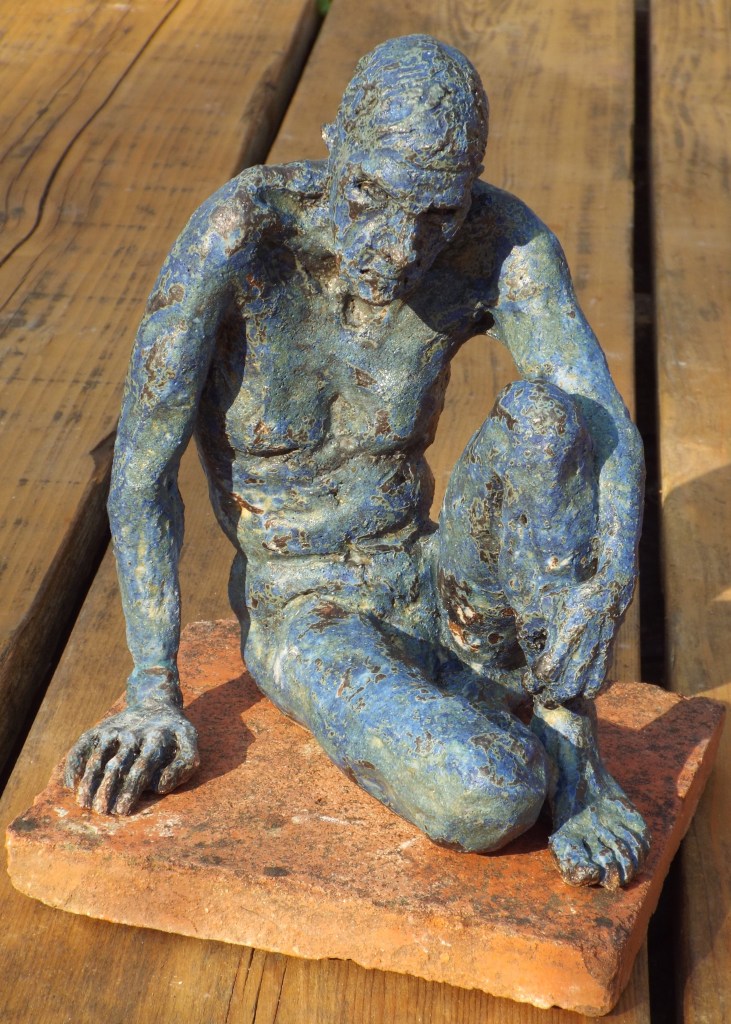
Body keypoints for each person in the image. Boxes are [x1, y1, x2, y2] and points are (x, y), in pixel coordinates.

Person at [65, 35, 649, 889]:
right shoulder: (243, 235)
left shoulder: (495, 239)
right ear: (334, 147)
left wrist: (607, 585)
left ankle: (571, 750)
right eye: (371, 197)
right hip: (308, 606)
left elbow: (606, 428)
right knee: (487, 799)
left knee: (546, 420)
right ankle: (498, 721)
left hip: (432, 572)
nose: (400, 246)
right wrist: (153, 688)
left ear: (466, 195)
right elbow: (141, 474)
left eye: (435, 214)